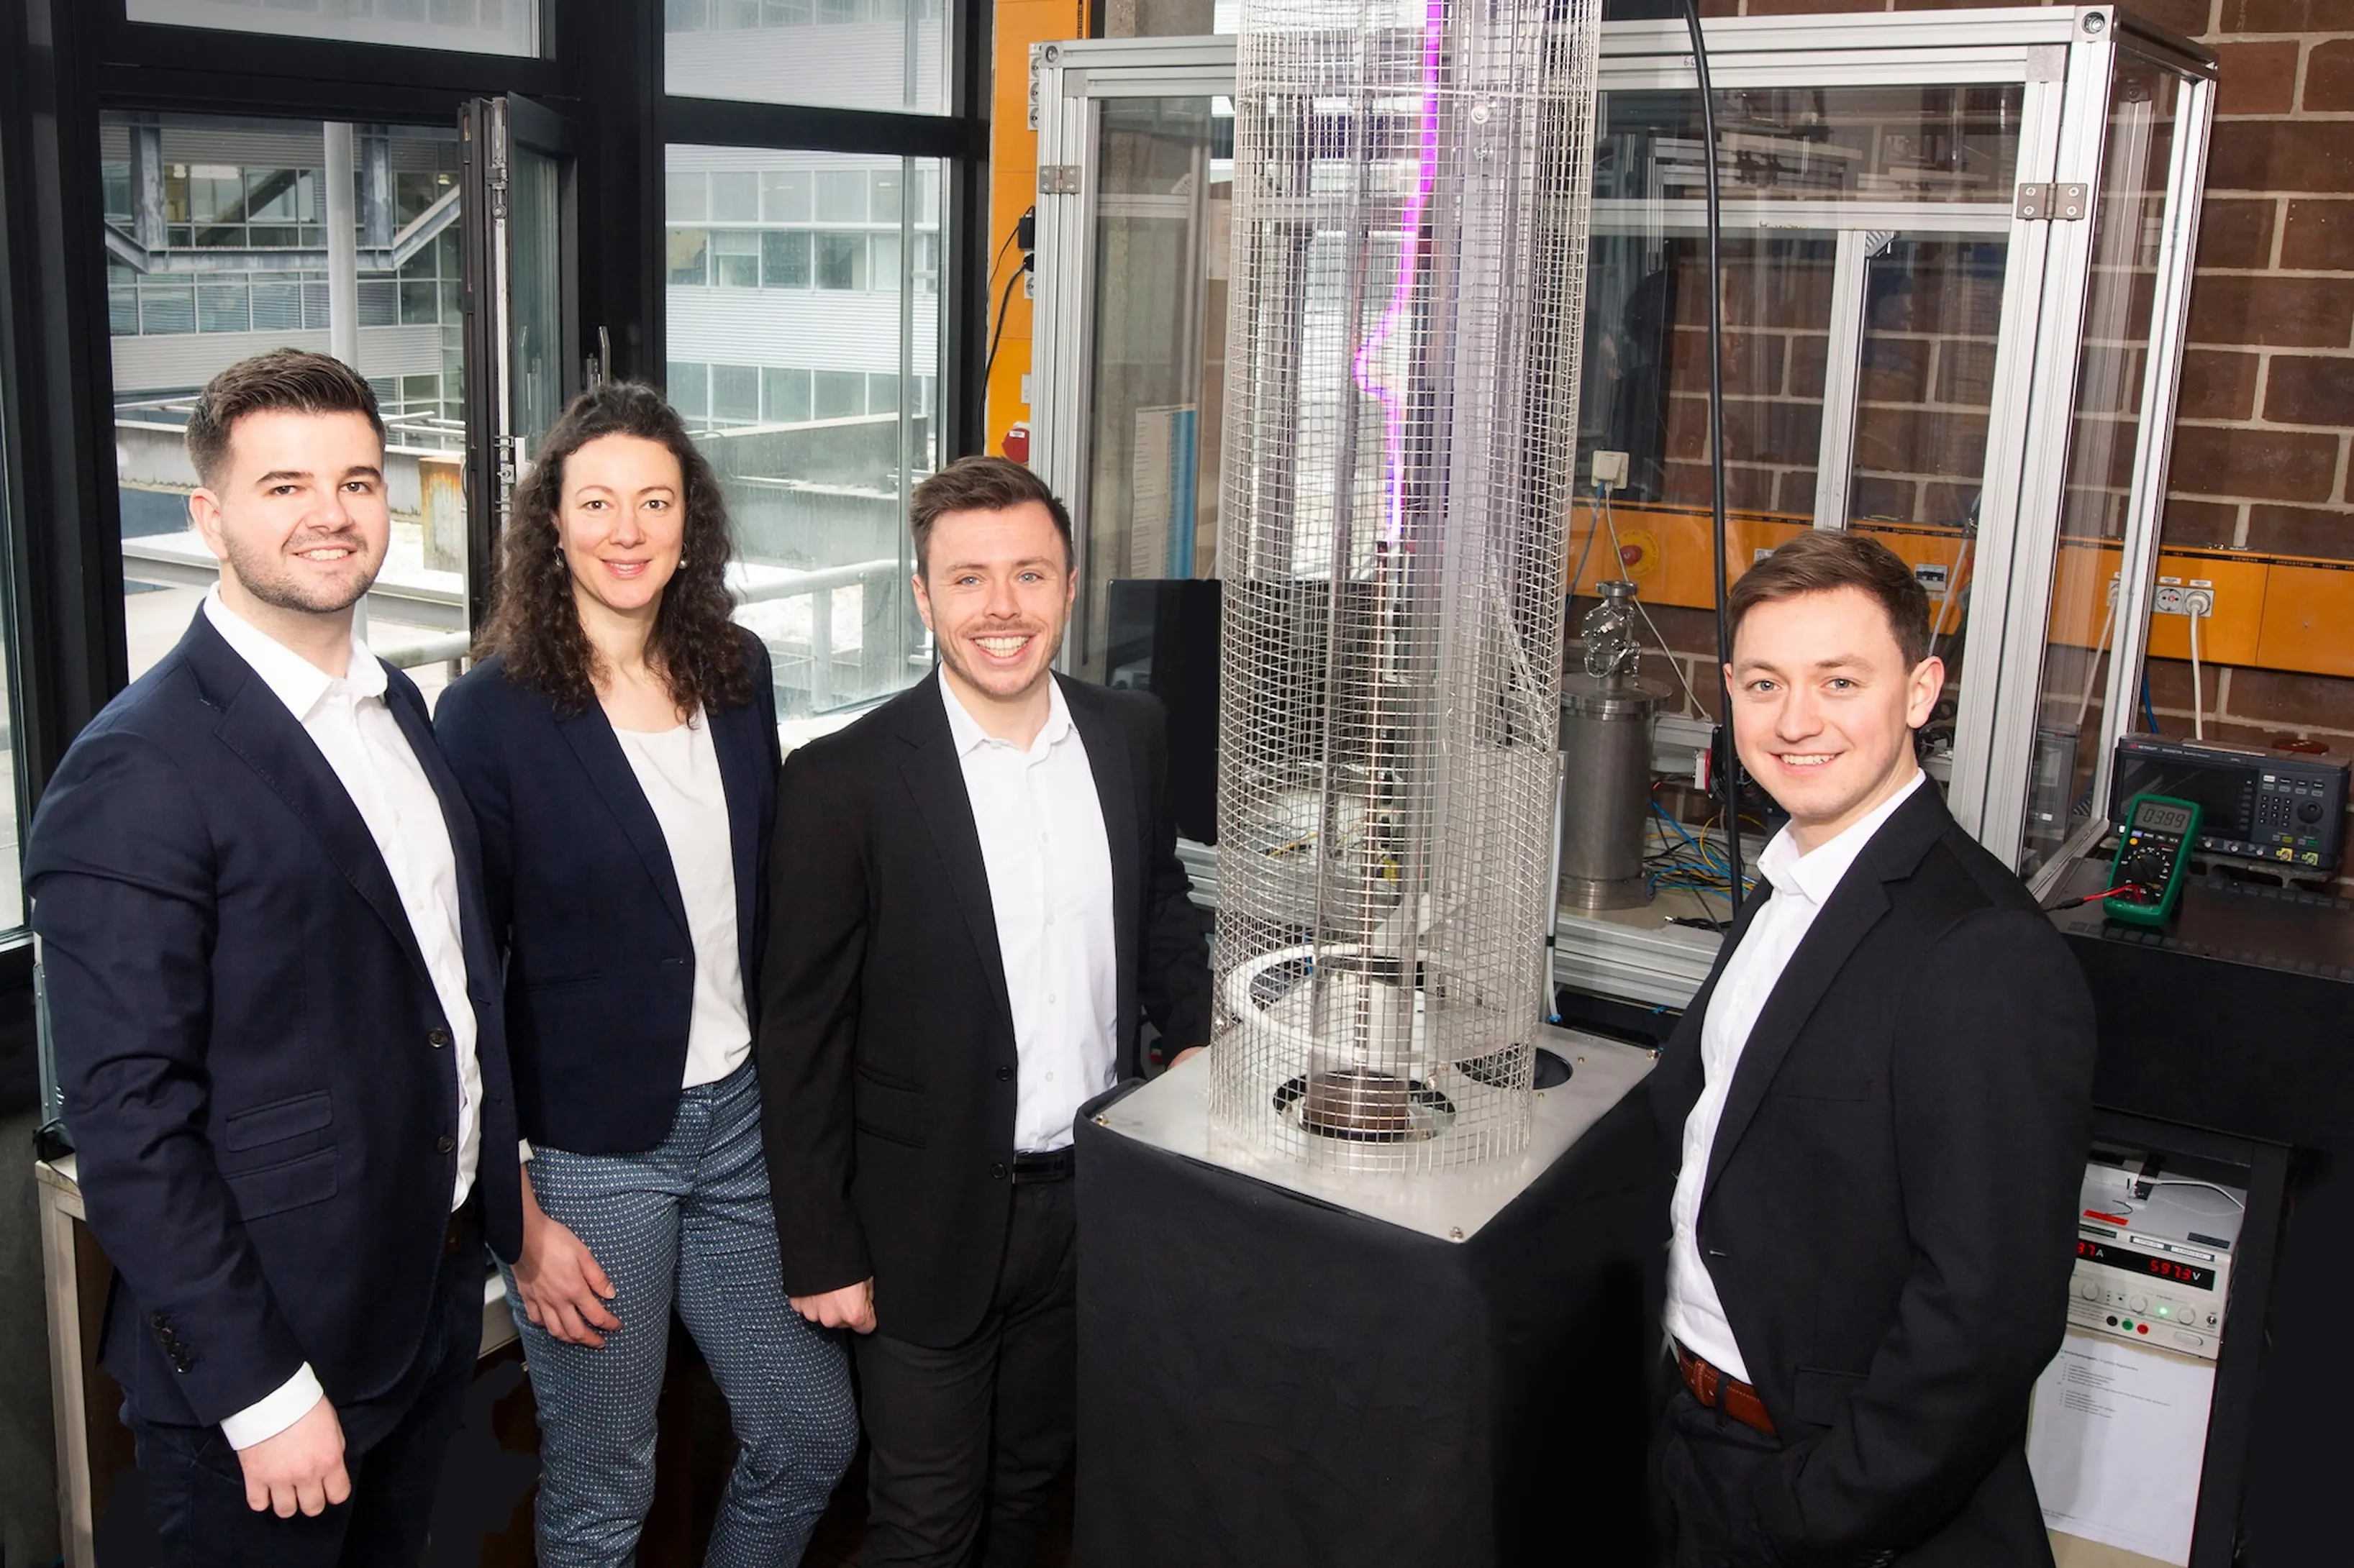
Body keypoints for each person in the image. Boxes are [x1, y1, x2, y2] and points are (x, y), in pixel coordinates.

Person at [25, 348, 522, 1567]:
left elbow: (443, 994)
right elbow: (130, 1121)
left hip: (424, 1305)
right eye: (285, 486)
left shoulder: (397, 704)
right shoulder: (134, 768)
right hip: (273, 1368)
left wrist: (502, 1218)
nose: (331, 515)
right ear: (209, 515)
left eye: (357, 481)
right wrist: (264, 1391)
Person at [757, 455, 1212, 1567]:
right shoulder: (841, 782)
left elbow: (1158, 905)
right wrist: (820, 1247)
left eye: (1028, 575)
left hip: (1091, 1199)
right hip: (922, 1221)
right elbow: (800, 1037)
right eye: (967, 580)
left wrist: (1198, 1039)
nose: (1000, 609)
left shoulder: (1131, 734)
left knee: (1029, 1499)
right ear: (922, 597)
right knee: (923, 1527)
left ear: (1068, 585)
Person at [434, 382, 856, 1566]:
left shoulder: (737, 673)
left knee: (807, 1434)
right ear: (552, 524)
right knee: (603, 1490)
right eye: (599, 502)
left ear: (690, 526)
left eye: (655, 502)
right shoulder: (487, 718)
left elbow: (753, 900)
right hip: (590, 1158)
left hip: (742, 1124)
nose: (628, 530)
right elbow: (466, 977)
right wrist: (515, 1218)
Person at [1646, 529, 2097, 1566]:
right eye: (1765, 683)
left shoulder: (1980, 950)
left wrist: (1816, 1511)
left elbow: (1988, 1316)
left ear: (1919, 690)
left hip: (1833, 1506)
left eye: (1839, 681)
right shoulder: (1795, 883)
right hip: (1700, 1442)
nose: (1795, 721)